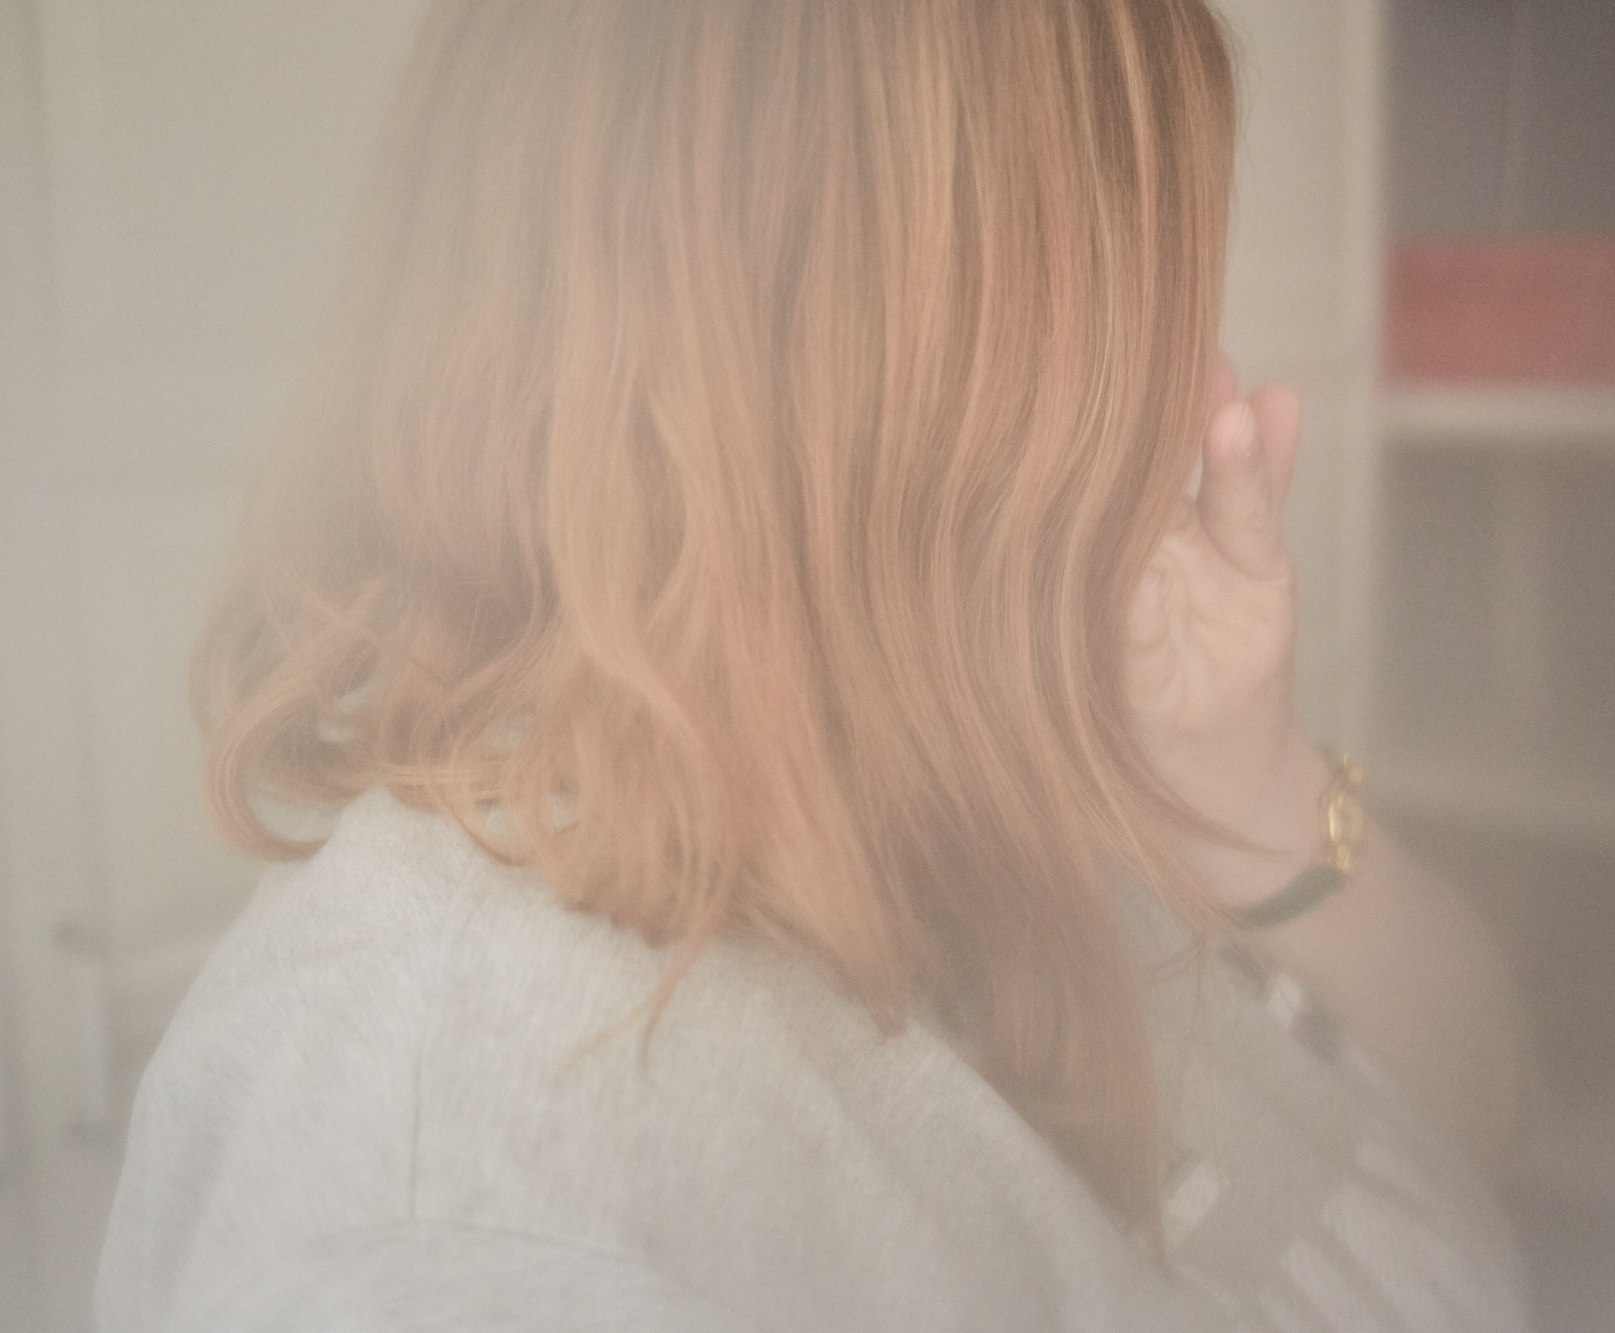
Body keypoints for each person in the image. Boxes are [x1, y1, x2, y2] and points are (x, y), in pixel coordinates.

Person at [95, 2, 1535, 1329]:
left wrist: (1249, 780)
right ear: (859, 362)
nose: (1200, 394)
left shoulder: (948, 742)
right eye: (1134, 304)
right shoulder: (458, 1195)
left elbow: (1467, 1137)